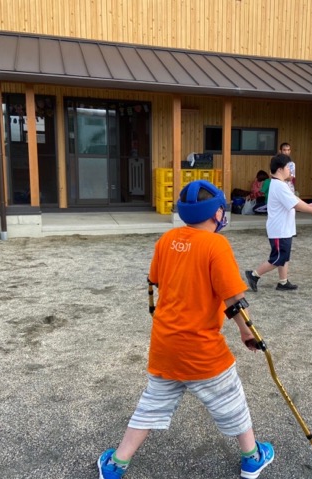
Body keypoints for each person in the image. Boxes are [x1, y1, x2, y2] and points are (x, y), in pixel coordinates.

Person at [97, 180, 274, 479]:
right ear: (217, 213)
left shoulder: (166, 239)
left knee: (151, 405)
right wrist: (247, 332)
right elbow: (234, 299)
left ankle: (116, 464)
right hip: (201, 350)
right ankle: (252, 457)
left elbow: (155, 279)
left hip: (166, 344)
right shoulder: (216, 244)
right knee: (231, 400)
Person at [244, 154, 312, 292]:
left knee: (284, 256)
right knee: (279, 258)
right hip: (279, 229)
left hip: (283, 229)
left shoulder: (280, 184)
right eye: (288, 167)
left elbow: (295, 199)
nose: (290, 170)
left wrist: (310, 207)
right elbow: (296, 204)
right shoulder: (279, 186)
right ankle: (254, 275)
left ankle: (283, 282)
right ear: (280, 169)